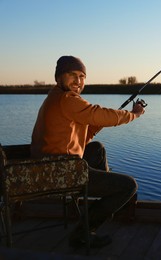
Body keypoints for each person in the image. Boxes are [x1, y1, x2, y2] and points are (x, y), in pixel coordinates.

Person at [31, 55, 145, 248]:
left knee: (96, 149)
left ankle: (101, 200)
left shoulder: (55, 96)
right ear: (59, 77)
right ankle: (84, 232)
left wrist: (95, 125)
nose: (78, 81)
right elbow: (97, 113)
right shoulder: (67, 99)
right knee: (128, 186)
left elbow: (77, 135)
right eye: (72, 75)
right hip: (60, 171)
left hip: (52, 164)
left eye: (82, 76)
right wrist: (133, 114)